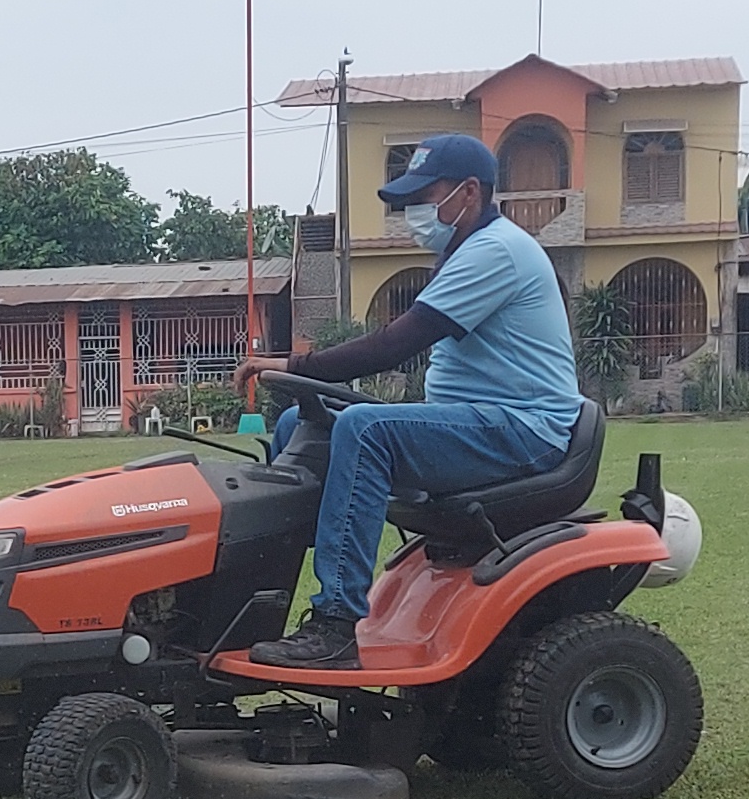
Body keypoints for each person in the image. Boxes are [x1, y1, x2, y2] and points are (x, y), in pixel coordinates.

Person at [236, 133, 588, 671]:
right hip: (479, 424)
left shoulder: (495, 251)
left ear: (468, 193)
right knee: (298, 425)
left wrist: (293, 365)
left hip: (525, 430)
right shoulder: (463, 252)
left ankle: (335, 624)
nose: (413, 214)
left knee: (364, 430)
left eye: (424, 198)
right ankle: (255, 604)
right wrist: (302, 382)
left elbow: (395, 345)